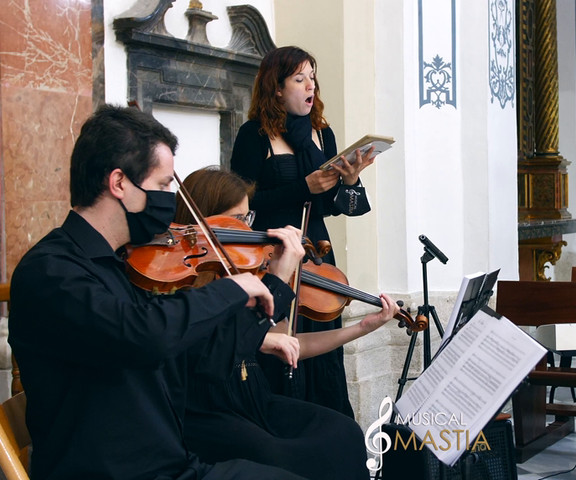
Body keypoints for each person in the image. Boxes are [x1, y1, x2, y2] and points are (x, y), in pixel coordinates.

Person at [8, 105, 304, 479]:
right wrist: (229, 289)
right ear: (119, 184)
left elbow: (204, 361)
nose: (170, 199)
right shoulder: (51, 272)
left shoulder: (120, 266)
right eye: (164, 184)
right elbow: (142, 334)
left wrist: (273, 285)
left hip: (173, 465)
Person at [173, 167, 400, 479]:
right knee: (282, 457)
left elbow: (295, 344)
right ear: (207, 220)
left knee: (343, 433)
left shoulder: (247, 274)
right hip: (207, 409)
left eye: (247, 218)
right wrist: (274, 289)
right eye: (237, 220)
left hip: (254, 398)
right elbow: (202, 351)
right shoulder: (178, 282)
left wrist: (361, 328)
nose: (248, 231)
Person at [231, 45, 374, 417]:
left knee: (322, 348)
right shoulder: (254, 135)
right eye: (299, 78)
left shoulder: (321, 135)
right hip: (273, 258)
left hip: (317, 255)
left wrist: (350, 181)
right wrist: (302, 188)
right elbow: (242, 204)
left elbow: (338, 208)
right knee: (282, 348)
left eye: (313, 77)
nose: (310, 85)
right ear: (276, 88)